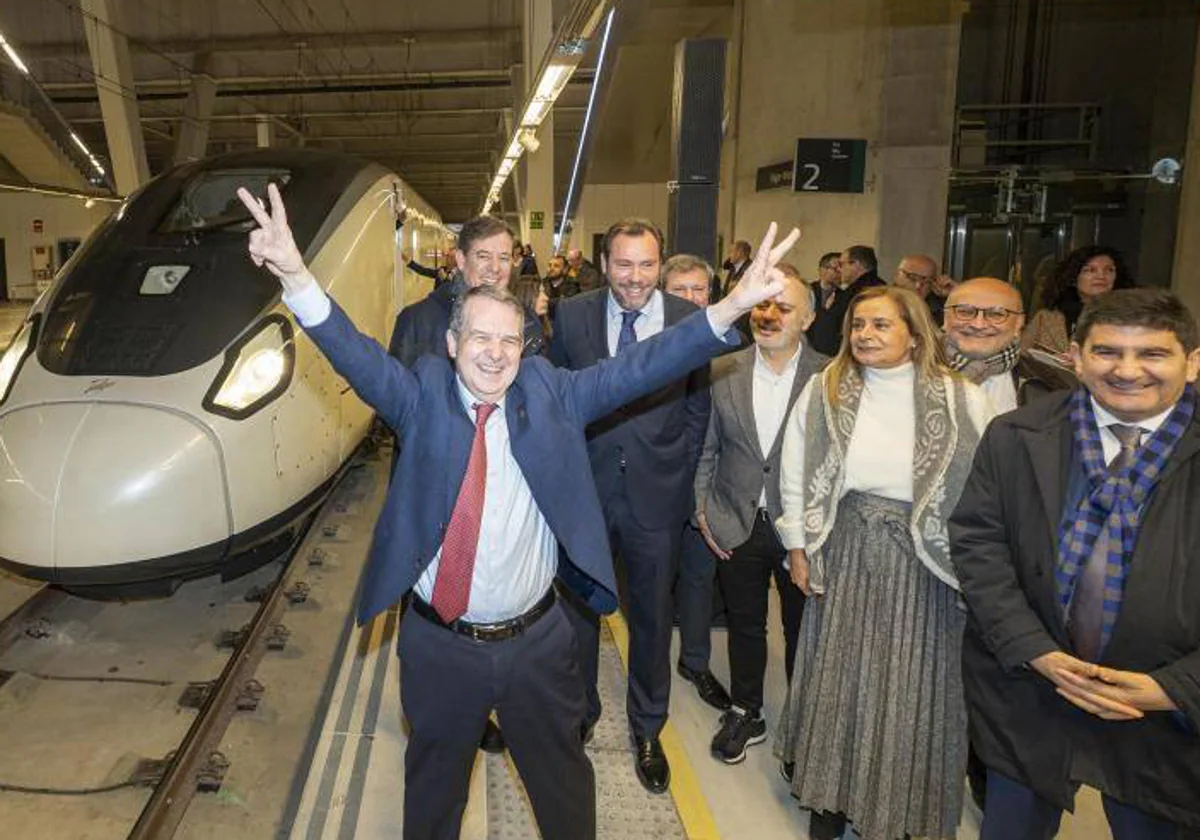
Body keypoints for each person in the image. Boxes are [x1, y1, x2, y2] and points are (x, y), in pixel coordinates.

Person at [236, 183, 800, 840]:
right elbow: (356, 355)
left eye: (511, 339)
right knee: (433, 793)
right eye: (479, 336)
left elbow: (643, 367)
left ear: (526, 346)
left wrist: (730, 304)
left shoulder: (551, 392)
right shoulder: (420, 395)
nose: (495, 351)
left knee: (562, 791)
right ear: (451, 344)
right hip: (440, 645)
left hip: (537, 644)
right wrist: (297, 275)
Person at [950, 288, 1200, 839]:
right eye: (1108, 351)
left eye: (1153, 354)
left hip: (1162, 715)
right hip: (1031, 691)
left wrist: (1177, 688)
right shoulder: (1017, 435)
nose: (1128, 370)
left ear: (1193, 360)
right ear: (1077, 357)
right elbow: (978, 545)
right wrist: (1034, 650)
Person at [774, 286, 995, 840]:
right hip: (846, 550)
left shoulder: (962, 398)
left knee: (913, 686)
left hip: (929, 566)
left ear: (915, 335)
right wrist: (797, 545)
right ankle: (830, 799)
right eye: (857, 326)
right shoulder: (826, 390)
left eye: (880, 325)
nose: (865, 336)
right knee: (839, 680)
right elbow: (795, 471)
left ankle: (899, 810)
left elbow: (989, 490)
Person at [550, 218, 714, 794]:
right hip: (586, 494)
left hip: (656, 497)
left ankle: (648, 729)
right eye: (624, 264)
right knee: (577, 619)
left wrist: (679, 475)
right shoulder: (571, 316)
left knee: (650, 620)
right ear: (605, 261)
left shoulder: (688, 319)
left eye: (647, 265)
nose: (635, 278)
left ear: (660, 263)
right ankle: (581, 716)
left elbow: (698, 409)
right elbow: (558, 403)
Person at [693, 262, 826, 764]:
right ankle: (747, 709)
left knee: (802, 630)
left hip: (805, 535)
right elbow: (706, 449)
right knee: (745, 625)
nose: (769, 315)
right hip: (736, 521)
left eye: (783, 306)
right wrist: (703, 509)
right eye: (762, 305)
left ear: (808, 318)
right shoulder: (723, 368)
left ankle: (802, 725)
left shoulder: (831, 377)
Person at [661, 252, 733, 714]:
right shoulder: (646, 348)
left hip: (707, 489)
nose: (690, 299)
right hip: (657, 488)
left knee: (699, 580)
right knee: (651, 583)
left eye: (698, 290)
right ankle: (646, 668)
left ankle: (695, 661)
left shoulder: (729, 349)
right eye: (679, 290)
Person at [389, 216, 545, 369]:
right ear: (461, 260)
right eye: (483, 256)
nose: (495, 268)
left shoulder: (528, 325)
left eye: (504, 258)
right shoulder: (417, 321)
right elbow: (399, 391)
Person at [1021, 245, 1134, 356]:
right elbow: (1021, 355)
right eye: (1090, 270)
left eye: (1109, 270)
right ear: (1073, 278)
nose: (1101, 276)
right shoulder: (1046, 317)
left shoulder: (1128, 317)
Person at [943, 277, 1026, 414]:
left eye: (996, 314)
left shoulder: (1052, 385)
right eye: (964, 312)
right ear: (946, 319)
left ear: (1018, 324)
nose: (978, 325)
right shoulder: (910, 371)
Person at [805, 251, 843, 355]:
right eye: (836, 269)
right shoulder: (807, 291)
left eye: (842, 269)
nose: (840, 273)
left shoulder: (844, 295)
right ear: (823, 270)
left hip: (832, 352)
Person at [891, 253, 942, 322]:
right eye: (912, 278)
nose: (918, 286)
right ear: (897, 275)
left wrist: (953, 291)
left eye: (926, 281)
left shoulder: (939, 310)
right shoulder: (879, 302)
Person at [542, 254, 579, 320]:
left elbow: (565, 305)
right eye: (549, 265)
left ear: (565, 269)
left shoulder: (572, 285)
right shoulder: (542, 283)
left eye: (556, 266)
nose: (551, 269)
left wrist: (547, 302)